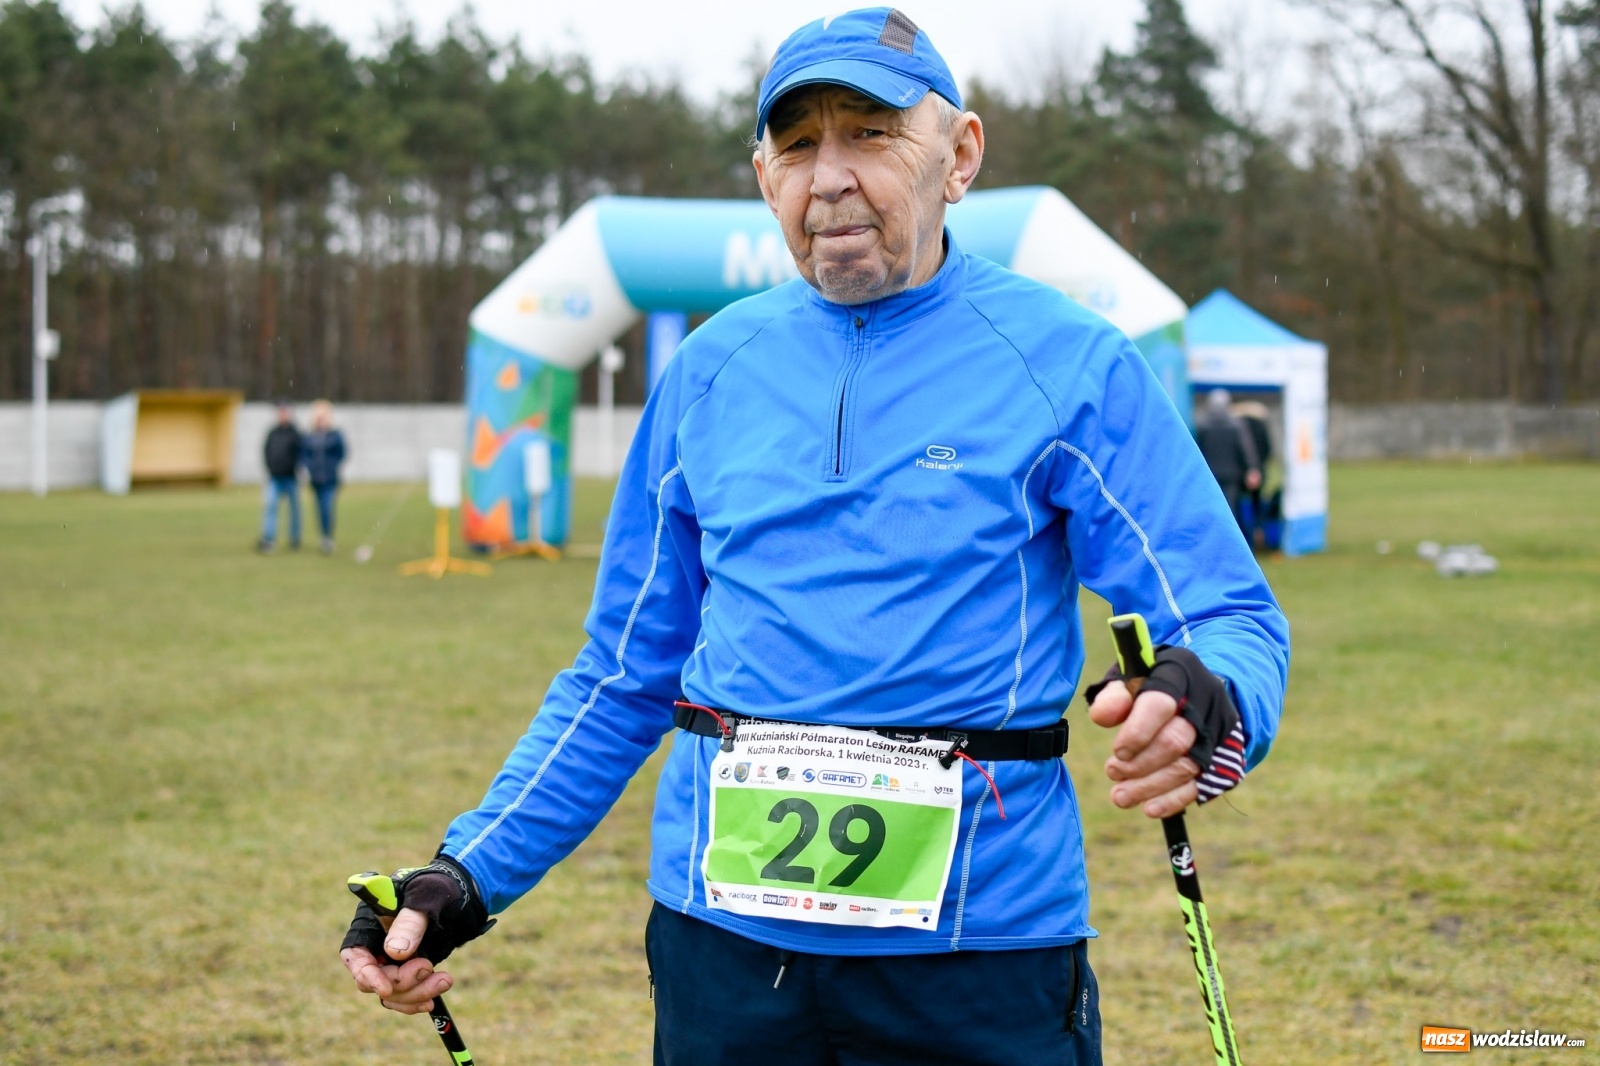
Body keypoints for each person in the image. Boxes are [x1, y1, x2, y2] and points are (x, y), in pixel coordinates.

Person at [340, 10, 1289, 1064]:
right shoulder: (708, 370)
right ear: (762, 173)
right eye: (797, 146)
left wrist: (1210, 694)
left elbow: (1225, 613)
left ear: (959, 154)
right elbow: (619, 674)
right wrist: (467, 871)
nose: (827, 177)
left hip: (979, 959)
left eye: (870, 134)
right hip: (724, 958)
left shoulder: (1072, 363)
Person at [1194, 388, 1260, 540]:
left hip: (1210, 476)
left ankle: (1214, 541)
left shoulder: (1202, 425)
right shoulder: (1236, 424)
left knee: (1212, 511)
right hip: (1231, 476)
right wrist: (1252, 468)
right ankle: (1232, 542)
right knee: (1231, 512)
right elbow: (1246, 449)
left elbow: (1198, 451)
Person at [300, 399, 347, 555]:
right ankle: (324, 537)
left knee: (328, 507)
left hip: (330, 478)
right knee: (320, 510)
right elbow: (305, 455)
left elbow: (342, 453)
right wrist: (309, 467)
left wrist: (332, 465)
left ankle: (328, 537)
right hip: (316, 480)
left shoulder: (335, 435)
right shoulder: (310, 436)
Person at [257, 401, 301, 553]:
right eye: (280, 412)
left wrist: (296, 468)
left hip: (291, 477)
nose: (283, 415)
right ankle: (269, 538)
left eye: (285, 412)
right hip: (275, 477)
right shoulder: (273, 432)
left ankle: (294, 539)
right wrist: (270, 467)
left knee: (294, 509)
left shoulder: (295, 433)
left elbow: (300, 453)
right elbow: (266, 451)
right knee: (270, 507)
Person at [1232, 399, 1273, 548]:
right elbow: (1268, 449)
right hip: (1257, 471)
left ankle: (1243, 537)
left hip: (1238, 473)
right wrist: (1259, 467)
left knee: (1235, 504)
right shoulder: (1261, 427)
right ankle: (1259, 531)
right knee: (1257, 502)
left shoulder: (1235, 425)